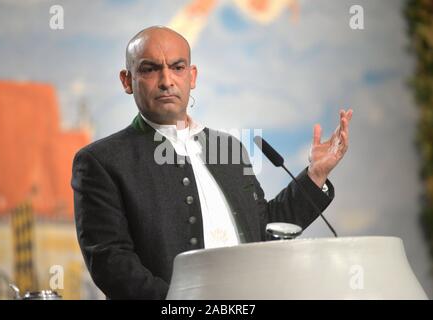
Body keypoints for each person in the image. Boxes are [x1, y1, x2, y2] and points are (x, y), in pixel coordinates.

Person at [71, 26, 353, 300]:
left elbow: (263, 229)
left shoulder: (228, 148)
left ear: (192, 76)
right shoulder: (101, 161)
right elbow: (112, 263)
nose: (166, 80)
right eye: (150, 69)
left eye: (178, 67)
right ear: (126, 80)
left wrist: (315, 175)